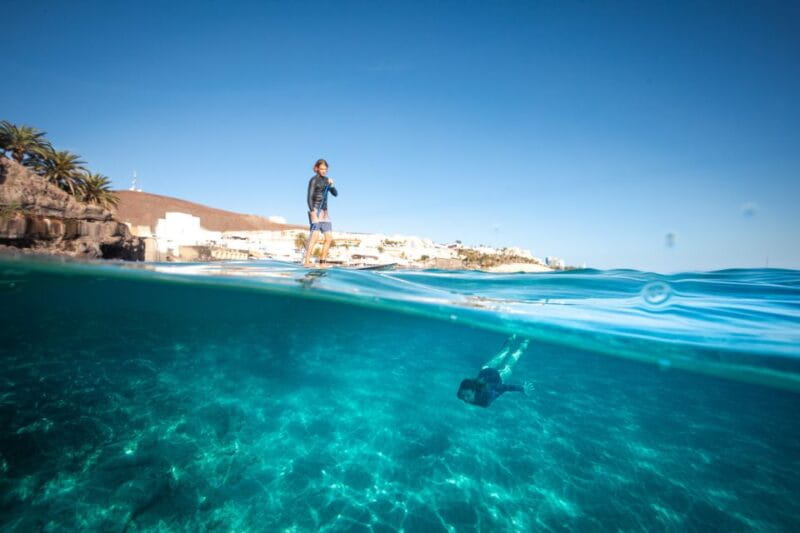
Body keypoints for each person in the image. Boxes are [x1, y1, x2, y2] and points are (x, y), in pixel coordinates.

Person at [457, 335, 532, 407]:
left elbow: (506, 387)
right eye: (463, 395)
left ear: (475, 391)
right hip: (488, 371)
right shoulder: (462, 395)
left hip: (498, 375)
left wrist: (522, 388)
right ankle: (524, 340)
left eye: (467, 396)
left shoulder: (488, 391)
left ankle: (519, 337)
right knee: (510, 355)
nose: (465, 399)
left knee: (507, 353)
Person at [303, 158, 338, 267]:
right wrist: (312, 211)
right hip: (315, 209)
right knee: (315, 237)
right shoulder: (313, 180)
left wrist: (332, 185)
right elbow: (308, 197)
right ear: (317, 168)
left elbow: (335, 194)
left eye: (325, 169)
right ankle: (307, 261)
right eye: (322, 169)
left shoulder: (327, 180)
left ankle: (322, 261)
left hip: (325, 212)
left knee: (328, 238)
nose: (323, 171)